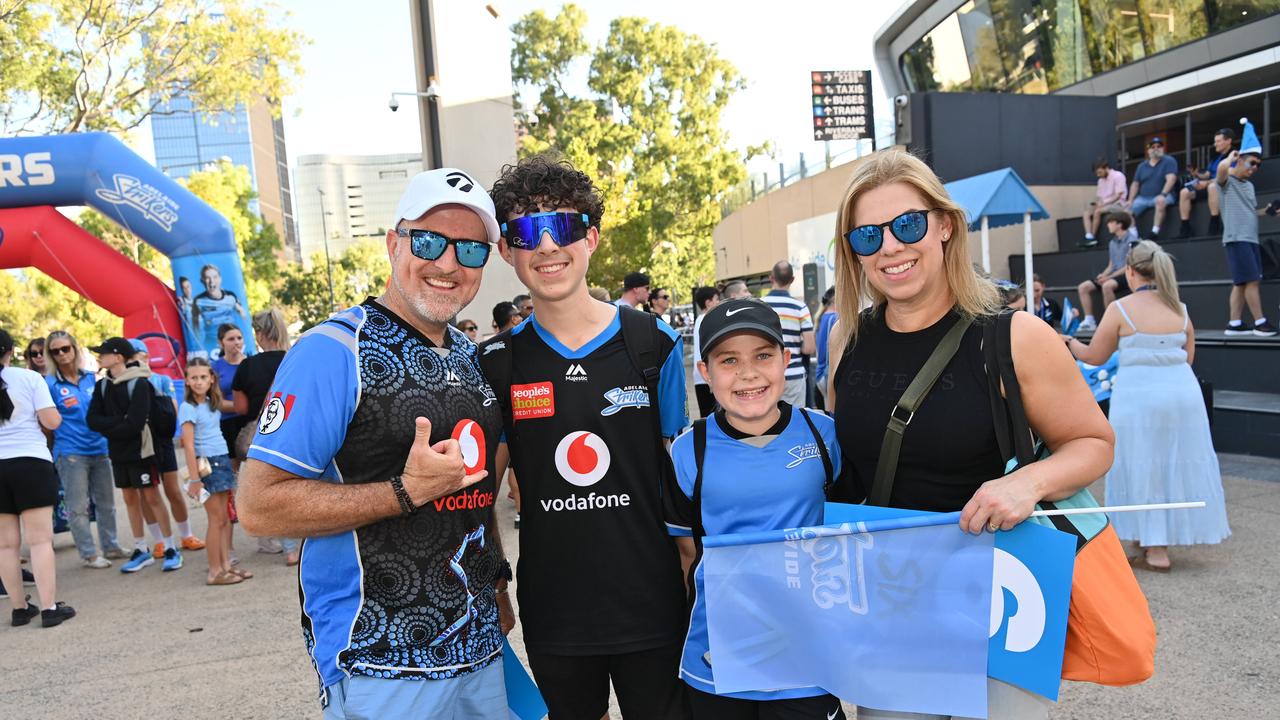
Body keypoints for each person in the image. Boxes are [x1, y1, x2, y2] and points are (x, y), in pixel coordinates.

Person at [827, 149, 1114, 719]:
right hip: (894, 599)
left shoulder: (1016, 337)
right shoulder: (845, 340)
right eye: (866, 236)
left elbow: (1094, 443)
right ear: (852, 252)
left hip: (1002, 593)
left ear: (944, 226)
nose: (889, 247)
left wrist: (1027, 483)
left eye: (906, 225)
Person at [237, 167, 513, 718]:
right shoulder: (333, 351)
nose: (448, 263)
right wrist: (404, 491)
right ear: (394, 243)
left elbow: (475, 496)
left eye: (471, 250)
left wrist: (497, 588)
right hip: (378, 662)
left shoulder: (466, 354)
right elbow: (258, 505)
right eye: (429, 241)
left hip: (480, 649)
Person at [485, 155, 690, 719]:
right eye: (528, 230)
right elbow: (481, 495)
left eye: (565, 226)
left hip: (652, 599)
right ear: (507, 249)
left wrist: (694, 571)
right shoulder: (497, 363)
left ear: (591, 238)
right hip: (557, 607)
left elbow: (680, 471)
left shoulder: (655, 344)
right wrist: (496, 584)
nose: (548, 245)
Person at [665, 299, 846, 720]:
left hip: (809, 658)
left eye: (763, 356)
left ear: (786, 360)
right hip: (718, 658)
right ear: (705, 372)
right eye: (729, 360)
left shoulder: (824, 435)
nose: (748, 373)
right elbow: (687, 554)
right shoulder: (689, 449)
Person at [1065, 241, 1230, 571]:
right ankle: (1151, 542)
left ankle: (1155, 550)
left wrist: (1068, 342)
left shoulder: (1121, 308)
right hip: (1182, 395)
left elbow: (1095, 356)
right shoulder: (1180, 308)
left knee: (1143, 463)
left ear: (1129, 270)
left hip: (1139, 396)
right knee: (1172, 463)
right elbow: (1190, 356)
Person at [86, 337, 183, 574]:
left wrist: (111, 425)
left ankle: (170, 547)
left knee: (152, 497)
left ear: (118, 357)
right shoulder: (102, 386)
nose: (100, 357)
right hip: (118, 453)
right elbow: (92, 420)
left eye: (104, 353)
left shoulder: (140, 383)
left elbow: (137, 422)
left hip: (142, 451)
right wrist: (121, 422)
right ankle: (141, 548)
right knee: (130, 499)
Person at [1, 328, 76, 627]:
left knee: (6, 546)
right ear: (9, 351)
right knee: (40, 541)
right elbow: (52, 421)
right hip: (31, 462)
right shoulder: (30, 378)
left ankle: (19, 609)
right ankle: (48, 608)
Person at [45, 331, 126, 568]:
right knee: (78, 506)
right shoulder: (49, 384)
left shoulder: (93, 378)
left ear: (74, 348)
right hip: (70, 452)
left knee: (107, 503)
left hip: (100, 447)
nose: (62, 354)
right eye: (55, 351)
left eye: (65, 348)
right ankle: (89, 554)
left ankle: (111, 546)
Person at [231, 308, 299, 565]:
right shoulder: (294, 358)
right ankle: (298, 543)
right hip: (296, 431)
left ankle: (289, 548)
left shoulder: (248, 366)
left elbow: (240, 408)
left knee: (275, 490)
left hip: (265, 434)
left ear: (259, 334)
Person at [130, 339, 204, 558]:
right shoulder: (124, 382)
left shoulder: (161, 379)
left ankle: (186, 534)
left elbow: (172, 409)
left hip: (162, 443)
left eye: (137, 356)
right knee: (147, 495)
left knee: (172, 490)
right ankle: (160, 540)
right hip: (139, 445)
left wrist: (179, 434)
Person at [179, 358, 245, 585]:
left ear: (211, 379)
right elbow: (187, 445)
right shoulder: (188, 408)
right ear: (187, 381)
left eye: (203, 377)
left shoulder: (211, 402)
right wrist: (195, 479)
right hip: (207, 465)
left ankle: (226, 566)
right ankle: (214, 571)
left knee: (226, 518)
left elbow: (237, 407)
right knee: (215, 519)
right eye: (194, 378)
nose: (198, 382)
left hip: (222, 459)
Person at [1216, 120, 1279, 337]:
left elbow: (1251, 211)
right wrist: (1230, 159)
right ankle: (1260, 323)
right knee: (1252, 280)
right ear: (1239, 159)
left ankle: (1234, 324)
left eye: (1258, 165)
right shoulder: (1226, 182)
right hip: (1237, 238)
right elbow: (1221, 171)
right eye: (1252, 163)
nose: (1254, 168)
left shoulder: (1249, 186)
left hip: (1250, 238)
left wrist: (1268, 211)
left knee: (1241, 283)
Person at [761, 261, 815, 408]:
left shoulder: (759, 305)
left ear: (771, 278)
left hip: (765, 376)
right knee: (795, 421)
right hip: (794, 376)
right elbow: (810, 348)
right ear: (792, 280)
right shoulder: (800, 307)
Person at [1074, 212, 1134, 332]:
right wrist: (1103, 275)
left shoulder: (1132, 240)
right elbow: (1111, 264)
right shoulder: (1112, 242)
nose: (1108, 225)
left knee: (1107, 285)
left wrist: (1109, 277)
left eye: (1111, 222)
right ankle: (1089, 320)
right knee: (1083, 287)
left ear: (1119, 224)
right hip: (1113, 275)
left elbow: (1129, 265)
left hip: (1126, 275)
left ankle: (1110, 321)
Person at [1177, 128, 1233, 238]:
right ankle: (1185, 227)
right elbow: (1207, 174)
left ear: (1228, 141)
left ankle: (1215, 222)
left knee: (1212, 186)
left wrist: (1206, 183)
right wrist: (1197, 175)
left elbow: (1228, 176)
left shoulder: (1234, 155)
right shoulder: (1216, 156)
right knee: (1185, 192)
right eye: (1215, 141)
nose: (1215, 144)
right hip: (1208, 185)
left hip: (1225, 186)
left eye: (1218, 141)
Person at [1125, 137, 1178, 237]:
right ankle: (1133, 236)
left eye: (1159, 146)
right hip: (1143, 198)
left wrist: (1163, 194)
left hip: (1164, 195)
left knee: (1160, 201)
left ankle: (1155, 231)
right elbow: (1135, 184)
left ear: (1162, 148)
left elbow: (1171, 179)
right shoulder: (1142, 166)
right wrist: (1130, 200)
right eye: (1153, 147)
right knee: (1126, 212)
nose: (1156, 149)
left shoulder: (1169, 161)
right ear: (1148, 150)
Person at [192, 264, 248, 356]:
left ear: (220, 278)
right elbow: (195, 327)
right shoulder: (198, 301)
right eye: (207, 278)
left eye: (215, 277)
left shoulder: (231, 296)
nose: (211, 281)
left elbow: (244, 317)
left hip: (233, 344)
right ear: (202, 281)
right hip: (211, 346)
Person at [1080, 157, 1126, 247]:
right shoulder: (1100, 181)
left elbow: (1118, 195)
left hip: (1118, 204)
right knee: (1086, 213)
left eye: (1100, 172)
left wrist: (1103, 203)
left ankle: (1093, 238)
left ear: (1106, 168)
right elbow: (1100, 197)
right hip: (1105, 204)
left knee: (1098, 212)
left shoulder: (1118, 176)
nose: (1098, 175)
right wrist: (1098, 204)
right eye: (1096, 173)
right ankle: (1088, 236)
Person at [691, 286, 721, 418]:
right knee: (713, 419)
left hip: (702, 377)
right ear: (708, 302)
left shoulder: (700, 320)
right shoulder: (707, 320)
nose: (719, 302)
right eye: (717, 299)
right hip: (707, 378)